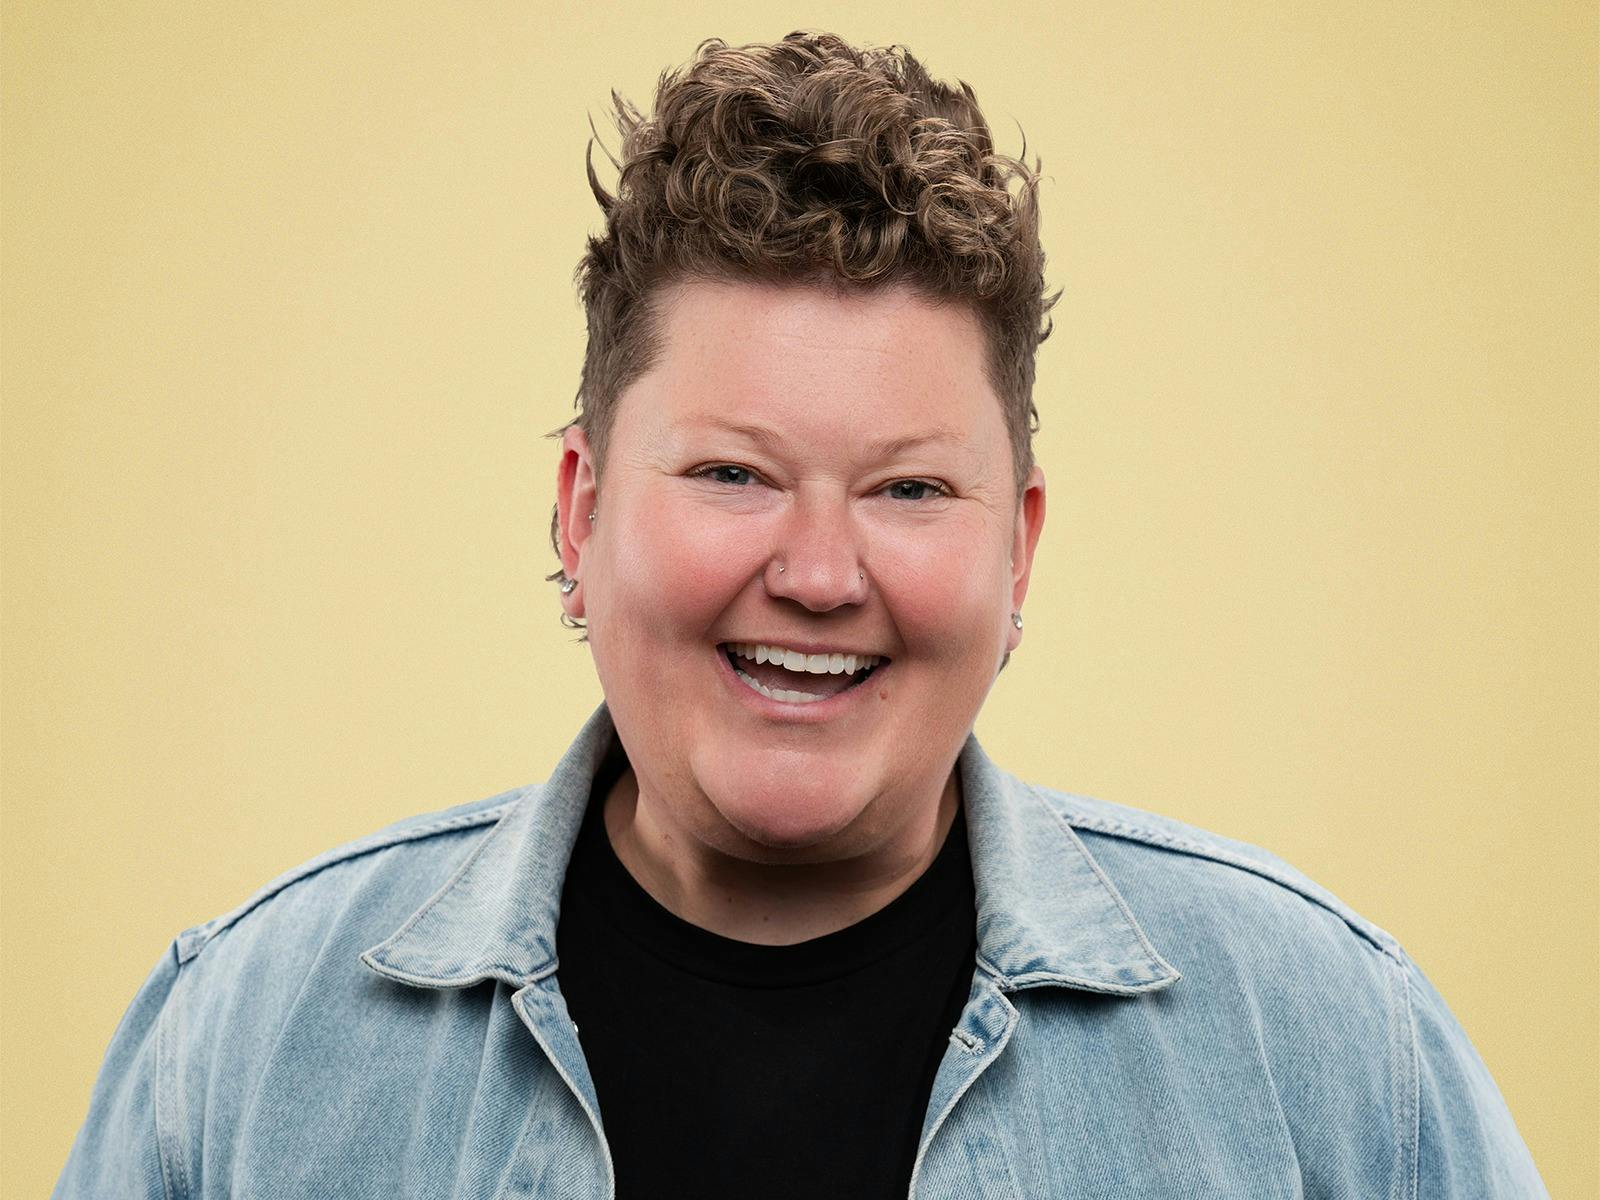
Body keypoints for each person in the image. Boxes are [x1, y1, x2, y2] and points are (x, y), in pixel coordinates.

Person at [55, 30, 1547, 1199]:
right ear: (580, 509)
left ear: (1018, 550)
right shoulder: (240, 1047)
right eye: (733, 474)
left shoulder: (1332, 1057)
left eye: (909, 490)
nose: (821, 574)